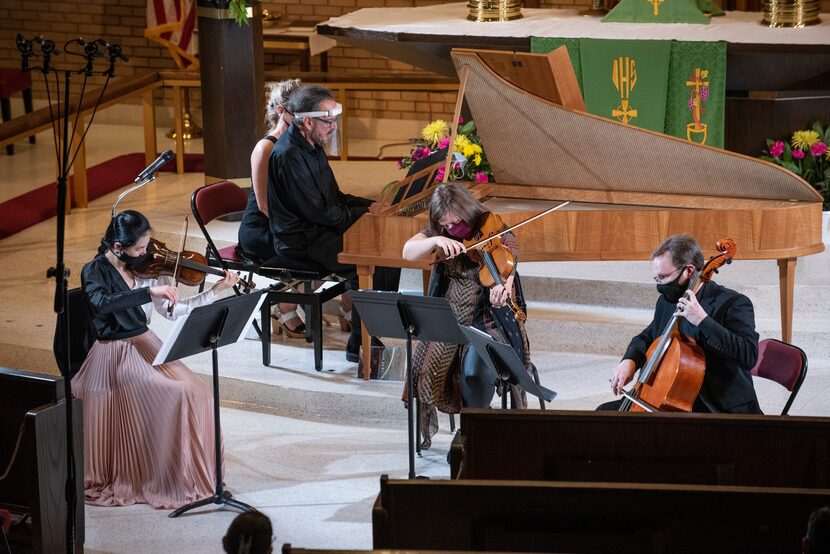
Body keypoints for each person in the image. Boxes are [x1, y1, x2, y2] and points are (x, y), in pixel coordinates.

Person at [73, 210, 240, 509]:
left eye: (147, 246)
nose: (145, 253)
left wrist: (215, 291)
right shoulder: (95, 270)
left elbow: (174, 311)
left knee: (197, 390)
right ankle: (161, 476)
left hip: (145, 344)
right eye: (139, 249)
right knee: (176, 394)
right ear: (117, 247)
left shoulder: (145, 268)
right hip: (114, 354)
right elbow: (100, 303)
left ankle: (187, 475)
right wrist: (148, 292)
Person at [266, 84, 399, 362]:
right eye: (328, 121)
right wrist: (362, 215)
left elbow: (334, 196)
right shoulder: (289, 155)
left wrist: (368, 205)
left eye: (335, 119)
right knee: (370, 256)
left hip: (319, 229)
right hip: (300, 240)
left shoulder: (312, 144)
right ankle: (361, 343)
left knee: (387, 250)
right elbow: (319, 213)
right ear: (308, 121)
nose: (334, 127)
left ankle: (369, 332)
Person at [401, 182, 533, 447]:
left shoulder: (498, 231)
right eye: (446, 225)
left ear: (467, 211)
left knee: (473, 373)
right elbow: (407, 252)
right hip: (449, 318)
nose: (452, 229)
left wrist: (501, 290)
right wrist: (436, 239)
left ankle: (473, 432)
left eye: (455, 223)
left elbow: (508, 271)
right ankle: (467, 429)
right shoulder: (440, 232)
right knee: (419, 366)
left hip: (488, 319)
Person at [603, 234, 761, 413]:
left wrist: (703, 320)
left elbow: (749, 355)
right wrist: (630, 360)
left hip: (716, 406)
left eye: (663, 277)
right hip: (675, 397)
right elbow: (648, 336)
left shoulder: (733, 303)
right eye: (657, 279)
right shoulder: (669, 300)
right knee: (603, 415)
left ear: (689, 271)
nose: (660, 285)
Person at [238, 78, 306, 337]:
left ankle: (346, 306)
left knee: (336, 241)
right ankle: (284, 305)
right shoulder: (265, 147)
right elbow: (265, 206)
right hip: (262, 230)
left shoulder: (301, 143)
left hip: (287, 223)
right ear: (282, 112)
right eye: (299, 112)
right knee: (319, 247)